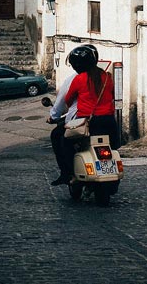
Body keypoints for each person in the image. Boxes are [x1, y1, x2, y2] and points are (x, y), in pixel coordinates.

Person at [47, 44, 98, 186]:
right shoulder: (104, 76)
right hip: (104, 119)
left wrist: (53, 116)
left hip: (81, 121)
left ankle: (67, 173)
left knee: (58, 137)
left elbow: (64, 100)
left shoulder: (75, 79)